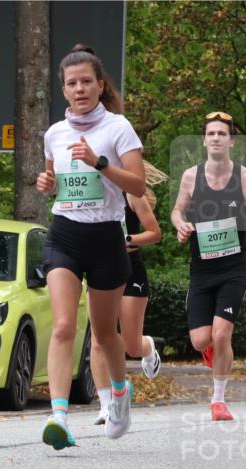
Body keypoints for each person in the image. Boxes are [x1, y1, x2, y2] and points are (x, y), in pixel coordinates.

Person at [35, 45, 146, 449]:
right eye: (71, 83)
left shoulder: (118, 128)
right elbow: (53, 183)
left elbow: (137, 186)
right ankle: (59, 418)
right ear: (63, 90)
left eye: (86, 82)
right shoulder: (54, 134)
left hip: (105, 238)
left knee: (103, 333)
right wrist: (44, 184)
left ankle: (119, 392)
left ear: (100, 85)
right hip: (64, 233)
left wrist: (100, 162)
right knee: (64, 325)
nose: (79, 89)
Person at [170, 111, 246, 421]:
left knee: (221, 335)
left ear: (232, 141)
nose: (216, 138)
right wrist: (181, 225)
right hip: (202, 270)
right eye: (211, 133)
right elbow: (177, 211)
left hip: (233, 269)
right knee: (201, 340)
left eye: (222, 133)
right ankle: (213, 352)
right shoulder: (191, 176)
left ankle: (218, 400)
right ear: (204, 140)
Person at [91, 161, 167, 425]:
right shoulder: (93, 194)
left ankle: (148, 349)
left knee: (131, 345)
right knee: (98, 338)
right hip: (101, 270)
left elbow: (155, 233)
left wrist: (126, 241)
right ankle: (105, 405)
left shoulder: (132, 195)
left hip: (131, 271)